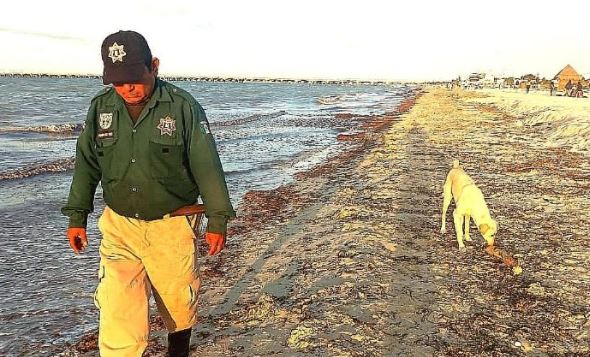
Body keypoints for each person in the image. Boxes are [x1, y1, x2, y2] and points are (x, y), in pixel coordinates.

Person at [61, 30, 236, 357]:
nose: (126, 88)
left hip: (170, 226)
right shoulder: (101, 108)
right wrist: (77, 216)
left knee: (177, 304)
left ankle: (178, 351)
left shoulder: (183, 107)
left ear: (153, 66)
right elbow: (86, 163)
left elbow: (206, 165)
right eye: (116, 81)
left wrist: (218, 218)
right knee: (118, 308)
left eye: (133, 78)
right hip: (119, 227)